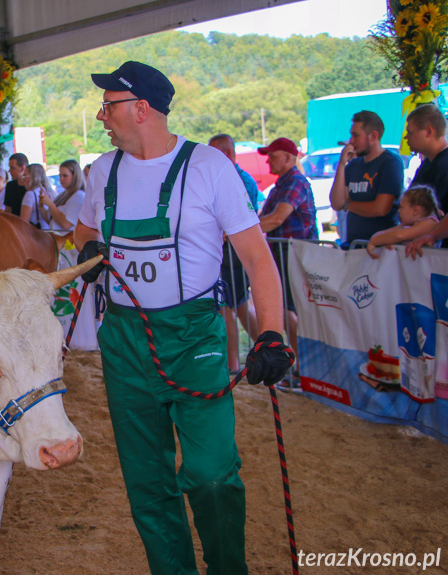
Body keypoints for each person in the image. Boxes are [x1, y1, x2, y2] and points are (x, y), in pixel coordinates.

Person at [74, 61, 289, 575]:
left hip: (195, 338)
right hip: (124, 341)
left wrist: (272, 334)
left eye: (109, 106)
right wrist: (91, 250)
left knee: (212, 473)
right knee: (147, 484)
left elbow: (258, 259)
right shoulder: (102, 170)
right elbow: (81, 233)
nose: (102, 116)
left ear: (141, 109)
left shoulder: (209, 168)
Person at [258, 137, 317, 386]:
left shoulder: (295, 182)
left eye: (273, 154)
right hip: (286, 254)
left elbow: (276, 219)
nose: (268, 159)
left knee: (295, 310)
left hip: (297, 256)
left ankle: (305, 365)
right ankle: (300, 364)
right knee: (287, 310)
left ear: (289, 158)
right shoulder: (280, 185)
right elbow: (266, 218)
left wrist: (238, 231)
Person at [208, 135, 260, 375]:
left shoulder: (240, 179)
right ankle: (259, 351)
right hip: (228, 254)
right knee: (236, 306)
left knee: (229, 306)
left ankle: (234, 363)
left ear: (227, 153)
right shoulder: (230, 177)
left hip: (235, 255)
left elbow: (237, 222)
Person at [328, 110, 403, 249]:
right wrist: (342, 164)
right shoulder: (353, 166)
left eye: (356, 136)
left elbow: (380, 208)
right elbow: (336, 202)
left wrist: (348, 204)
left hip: (380, 248)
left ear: (373, 136)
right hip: (354, 244)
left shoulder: (390, 162)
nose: (351, 141)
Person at [405, 105, 448, 257]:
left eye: (410, 132)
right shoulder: (427, 165)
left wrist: (432, 234)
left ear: (428, 132)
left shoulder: (445, 165)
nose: (406, 138)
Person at [367, 185, 442, 258]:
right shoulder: (408, 225)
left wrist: (376, 241)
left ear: (415, 210)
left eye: (401, 207)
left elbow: (400, 236)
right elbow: (380, 234)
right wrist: (381, 240)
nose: (399, 211)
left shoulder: (430, 223)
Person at [40, 159, 85, 230]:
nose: (61, 179)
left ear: (75, 176)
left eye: (65, 176)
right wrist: (41, 205)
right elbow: (49, 219)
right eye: (60, 175)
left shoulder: (79, 196)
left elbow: (66, 224)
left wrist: (50, 204)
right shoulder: (63, 194)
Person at [18, 163, 51, 229]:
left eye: (25, 176)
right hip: (47, 231)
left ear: (33, 177)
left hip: (35, 234)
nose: (23, 179)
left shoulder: (30, 194)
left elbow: (24, 222)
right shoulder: (46, 191)